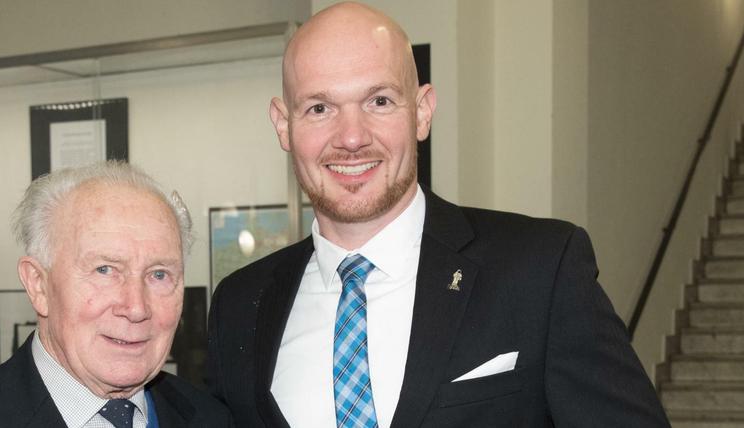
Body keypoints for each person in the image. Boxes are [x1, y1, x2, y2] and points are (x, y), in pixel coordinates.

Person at [205, 2, 670, 427]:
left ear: (423, 112)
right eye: (320, 107)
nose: (351, 137)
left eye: (379, 101)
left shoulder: (540, 270)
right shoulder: (238, 307)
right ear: (284, 125)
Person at [0, 161, 232, 427]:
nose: (136, 307)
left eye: (159, 275)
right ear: (38, 285)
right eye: (105, 270)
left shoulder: (213, 419)